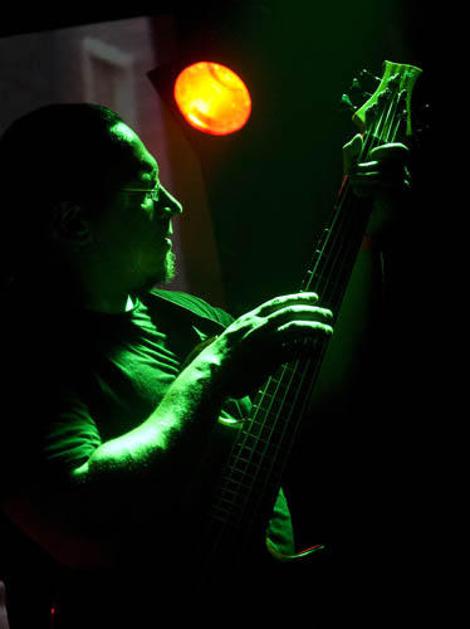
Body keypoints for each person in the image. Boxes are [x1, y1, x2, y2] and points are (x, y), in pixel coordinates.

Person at [0, 103, 409, 628]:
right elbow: (80, 524)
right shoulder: (18, 357)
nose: (173, 204)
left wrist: (363, 233)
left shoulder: (190, 320)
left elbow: (315, 389)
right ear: (73, 223)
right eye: (146, 188)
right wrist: (212, 369)